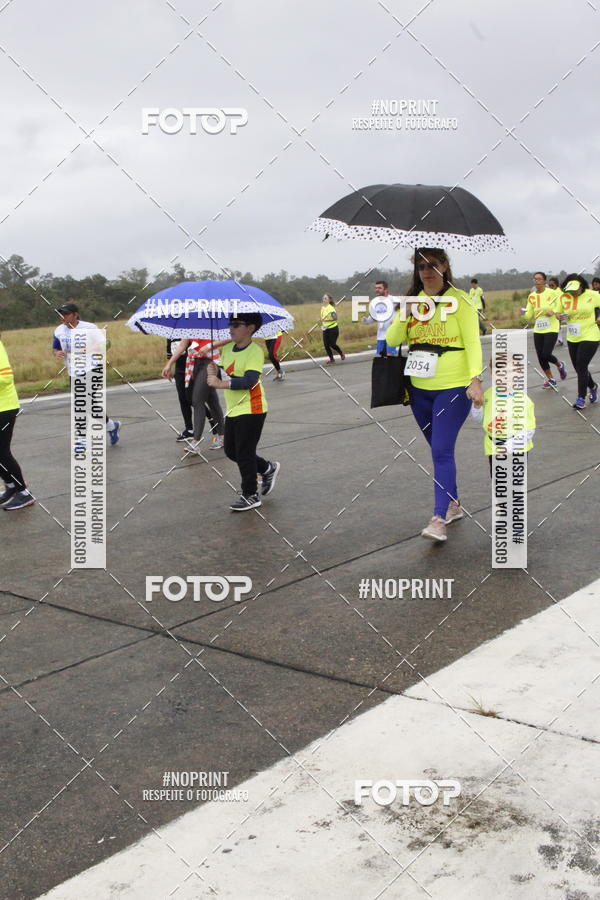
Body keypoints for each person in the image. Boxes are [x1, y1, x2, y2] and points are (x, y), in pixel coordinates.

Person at [386, 248, 483, 543]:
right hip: (418, 388)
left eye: (433, 264)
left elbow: (473, 342)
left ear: (445, 267)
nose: (427, 270)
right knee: (439, 451)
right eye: (421, 265)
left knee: (441, 450)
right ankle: (453, 504)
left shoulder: (461, 300)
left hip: (453, 387)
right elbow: (391, 341)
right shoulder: (416, 303)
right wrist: (405, 313)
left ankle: (439, 518)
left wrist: (475, 379)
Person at [207, 313, 280, 511]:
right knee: (232, 451)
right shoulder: (228, 348)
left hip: (252, 407)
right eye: (230, 324)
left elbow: (249, 381)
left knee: (245, 453)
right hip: (233, 409)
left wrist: (220, 383)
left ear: (250, 327)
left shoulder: (254, 351)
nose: (231, 328)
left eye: (237, 324)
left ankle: (250, 494)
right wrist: (213, 370)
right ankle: (267, 468)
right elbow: (224, 372)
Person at [52, 302, 121, 446]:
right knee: (89, 404)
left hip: (93, 368)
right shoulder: (58, 331)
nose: (62, 316)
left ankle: (81, 440)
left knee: (81, 403)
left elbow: (106, 344)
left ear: (75, 314)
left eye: (66, 313)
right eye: (61, 314)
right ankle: (111, 426)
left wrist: (89, 349)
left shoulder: (90, 327)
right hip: (73, 371)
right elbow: (55, 348)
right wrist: (57, 353)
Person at [471, 359, 536, 476]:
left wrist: (508, 447)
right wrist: (477, 406)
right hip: (493, 447)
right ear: (492, 373)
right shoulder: (487, 395)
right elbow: (478, 419)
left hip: (517, 449)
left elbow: (528, 431)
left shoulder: (523, 400)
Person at [162, 337, 228, 452]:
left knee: (197, 400)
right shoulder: (191, 323)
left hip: (210, 363)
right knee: (212, 400)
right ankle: (223, 436)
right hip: (195, 363)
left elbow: (230, 337)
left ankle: (195, 441)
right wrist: (169, 364)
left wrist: (209, 346)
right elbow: (182, 345)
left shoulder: (211, 320)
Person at [0, 337, 35, 510]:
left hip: (4, 407)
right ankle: (11, 487)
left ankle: (23, 494)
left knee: (2, 451)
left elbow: (5, 378)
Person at [558, 275, 600, 408]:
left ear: (582, 286)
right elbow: (558, 312)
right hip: (572, 337)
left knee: (581, 365)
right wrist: (558, 315)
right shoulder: (564, 297)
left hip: (590, 335)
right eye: (571, 290)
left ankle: (581, 398)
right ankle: (593, 386)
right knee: (579, 368)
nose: (574, 293)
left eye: (576, 290)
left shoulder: (592, 295)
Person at [522, 271, 567, 388]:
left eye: (539, 279)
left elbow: (560, 305)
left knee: (546, 354)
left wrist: (554, 311)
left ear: (544, 281)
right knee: (540, 356)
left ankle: (560, 364)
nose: (536, 281)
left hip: (551, 327)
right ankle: (551, 379)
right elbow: (529, 314)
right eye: (535, 279)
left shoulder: (552, 293)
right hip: (538, 329)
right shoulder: (531, 296)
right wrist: (524, 313)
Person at [361, 280, 399, 356]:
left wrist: (396, 321)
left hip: (392, 333)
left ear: (385, 289)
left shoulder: (394, 300)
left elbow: (405, 311)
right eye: (376, 288)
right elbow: (372, 318)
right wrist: (366, 320)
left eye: (379, 288)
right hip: (381, 334)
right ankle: (389, 368)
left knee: (390, 355)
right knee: (382, 357)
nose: (377, 290)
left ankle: (392, 367)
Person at [320, 293, 345, 365]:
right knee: (326, 345)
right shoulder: (322, 308)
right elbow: (322, 318)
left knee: (332, 344)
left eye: (325, 298)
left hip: (333, 328)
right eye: (323, 298)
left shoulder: (331, 308)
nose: (324, 299)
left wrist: (326, 320)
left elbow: (335, 318)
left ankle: (341, 353)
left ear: (329, 300)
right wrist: (322, 320)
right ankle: (332, 359)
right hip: (325, 328)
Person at [548, 277, 564, 345]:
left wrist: (556, 311)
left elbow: (560, 302)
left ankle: (560, 340)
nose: (551, 287)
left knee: (557, 325)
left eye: (552, 285)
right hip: (551, 310)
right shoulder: (550, 292)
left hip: (558, 310)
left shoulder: (559, 292)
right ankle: (558, 339)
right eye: (550, 285)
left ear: (556, 284)